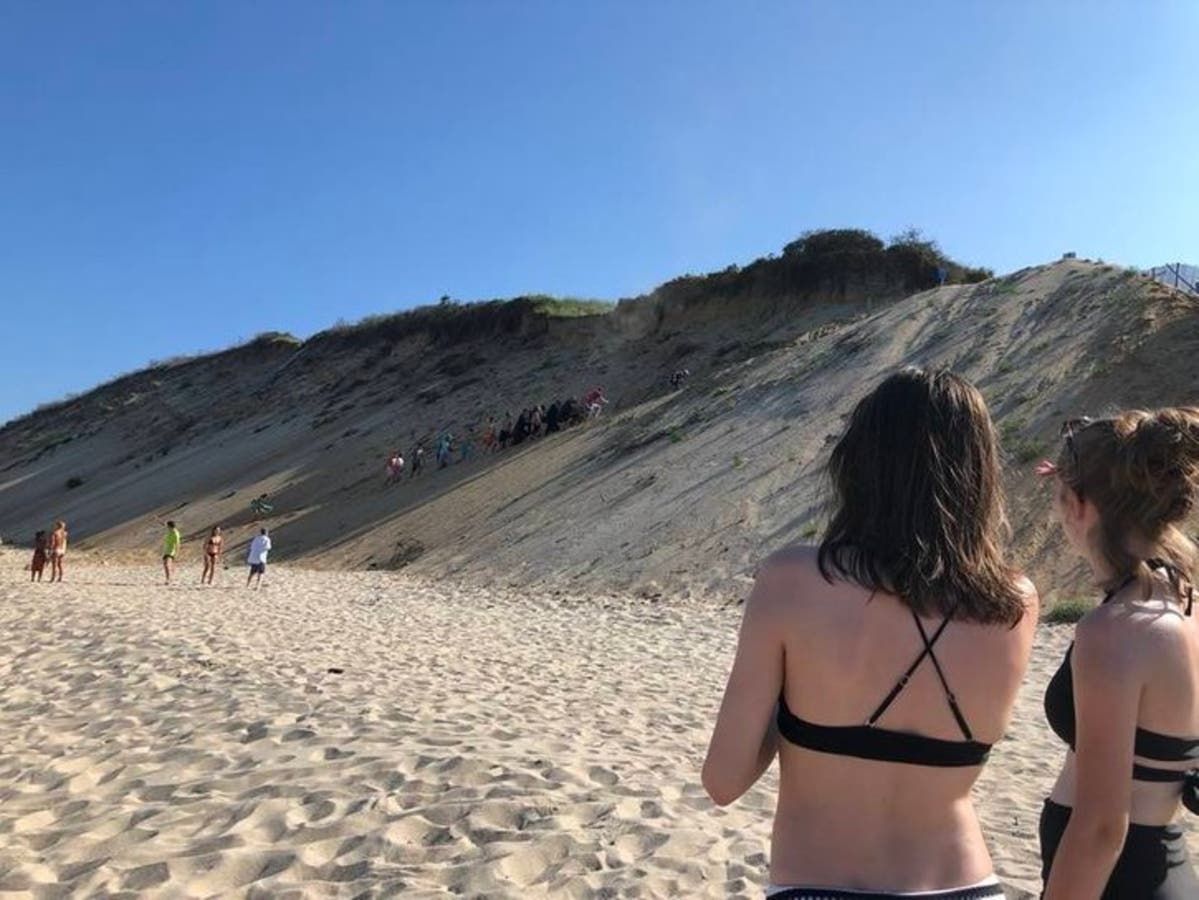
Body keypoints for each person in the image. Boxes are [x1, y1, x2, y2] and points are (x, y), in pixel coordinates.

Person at [703, 368, 1036, 899]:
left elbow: (724, 781)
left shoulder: (793, 580)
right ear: (980, 473)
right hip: (968, 886)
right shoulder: (1016, 600)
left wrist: (795, 701)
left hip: (820, 884)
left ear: (859, 464)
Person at [1036, 410, 1199, 899]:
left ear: (1080, 505)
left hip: (1115, 881)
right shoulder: (1183, 604)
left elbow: (1103, 827)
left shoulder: (1117, 630)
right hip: (1158, 868)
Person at [162, 520, 181, 584]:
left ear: (170, 526)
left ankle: (168, 579)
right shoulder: (170, 531)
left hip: (171, 550)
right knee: (166, 565)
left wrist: (176, 553)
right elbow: (164, 525)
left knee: (167, 564)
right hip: (166, 549)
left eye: (168, 526)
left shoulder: (175, 533)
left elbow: (177, 544)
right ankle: (170, 578)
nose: (167, 528)